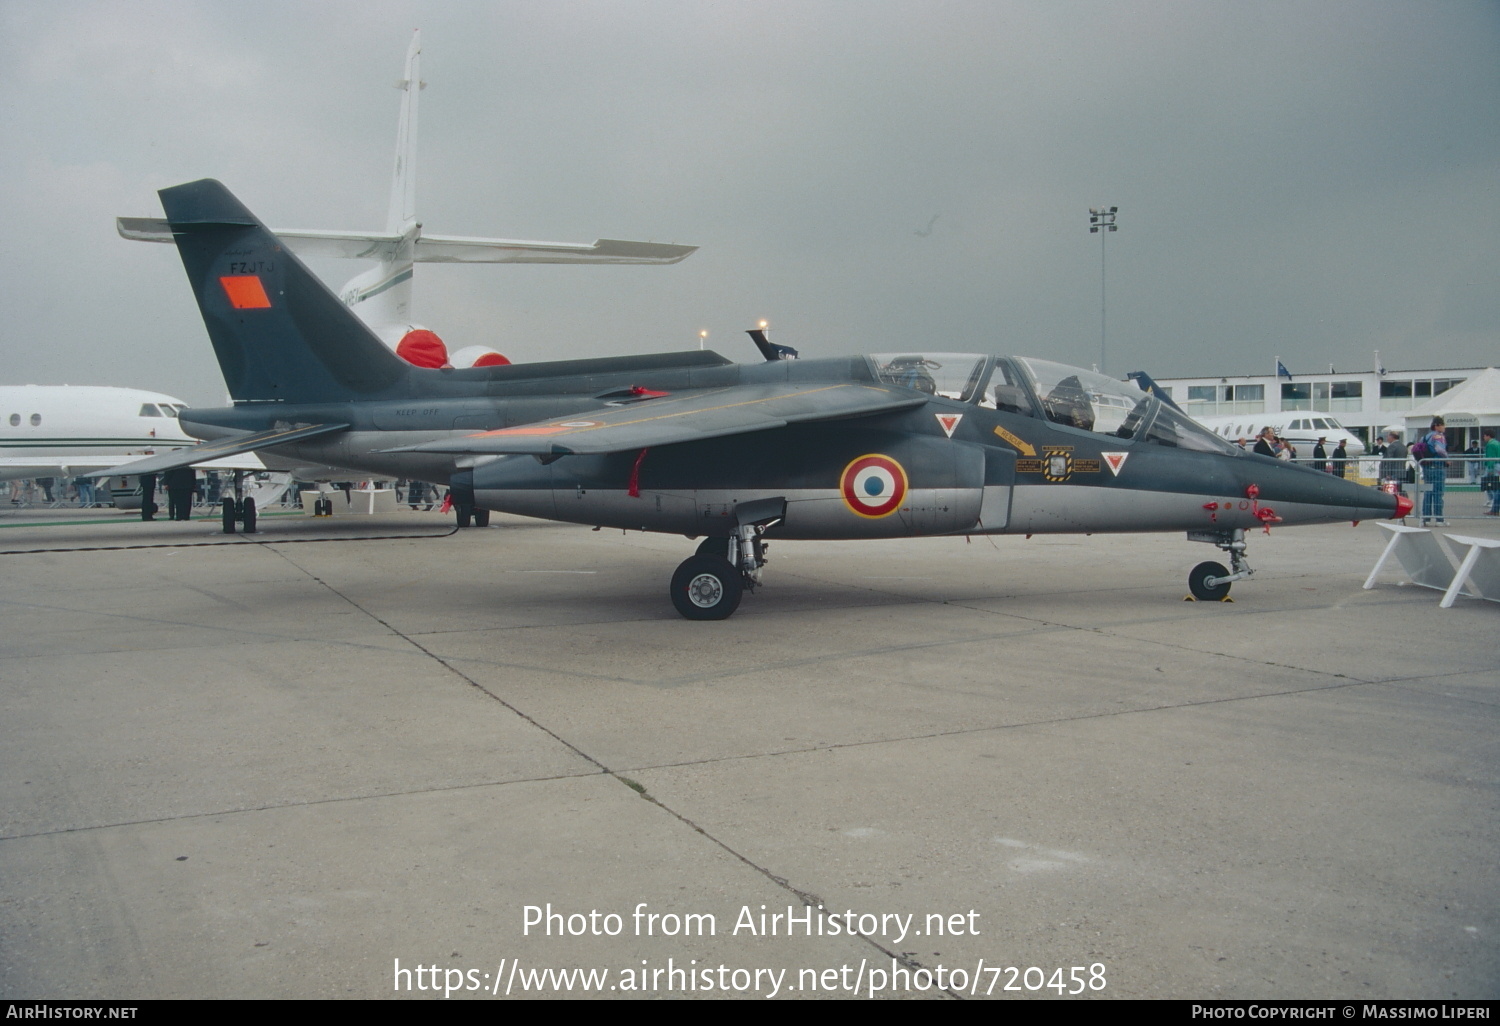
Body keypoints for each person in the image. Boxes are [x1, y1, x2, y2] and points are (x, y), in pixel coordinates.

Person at [1419, 416, 1448, 526]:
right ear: (1437, 425)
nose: (1444, 427)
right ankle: (1439, 519)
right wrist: (1447, 459)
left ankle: (1425, 518)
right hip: (1437, 465)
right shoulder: (1438, 436)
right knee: (1438, 493)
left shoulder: (1425, 437)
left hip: (1427, 467)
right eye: (1443, 425)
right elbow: (1440, 449)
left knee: (1428, 492)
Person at [1381, 429, 1408, 499]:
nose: (1387, 439)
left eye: (1388, 437)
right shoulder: (1403, 446)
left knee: (1392, 491)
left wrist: (1388, 473)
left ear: (1391, 437)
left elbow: (1389, 460)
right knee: (1400, 490)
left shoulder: (1392, 446)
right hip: (1402, 471)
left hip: (1393, 472)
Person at [1483, 428, 1499, 516]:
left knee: (1488, 484)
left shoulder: (1491, 444)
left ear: (1488, 436)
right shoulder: (1496, 443)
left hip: (1493, 467)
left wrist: (1489, 469)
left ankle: (1492, 500)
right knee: (1494, 486)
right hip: (1497, 466)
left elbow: (1490, 457)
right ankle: (1493, 503)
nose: (1484, 437)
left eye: (1485, 436)